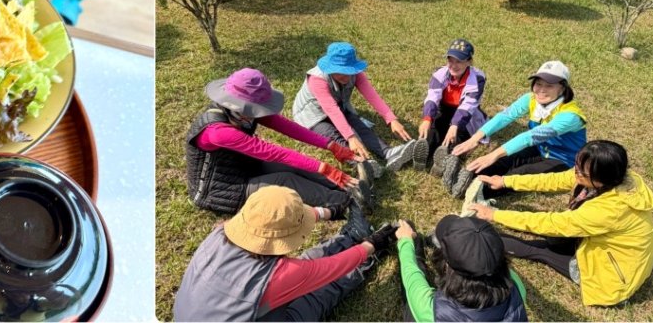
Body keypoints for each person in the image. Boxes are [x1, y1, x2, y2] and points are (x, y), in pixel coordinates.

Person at [473, 140, 653, 309]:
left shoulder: (608, 211)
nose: (575, 173)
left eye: (582, 172)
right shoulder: (616, 176)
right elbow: (555, 180)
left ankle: (477, 237)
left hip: (611, 278)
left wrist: (495, 215)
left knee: (540, 249)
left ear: (601, 179)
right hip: (607, 246)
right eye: (577, 164)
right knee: (554, 234)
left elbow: (550, 223)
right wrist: (506, 181)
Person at [173, 186, 396, 323]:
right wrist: (371, 245)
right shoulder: (278, 277)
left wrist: (330, 212)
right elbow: (333, 267)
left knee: (306, 266)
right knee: (318, 293)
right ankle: (368, 259)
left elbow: (275, 222)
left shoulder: (220, 232)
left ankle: (350, 235)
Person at [185, 68, 364, 218]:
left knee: (294, 167)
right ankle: (347, 202)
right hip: (222, 188)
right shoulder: (217, 132)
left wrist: (330, 145)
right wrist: (324, 168)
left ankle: (348, 186)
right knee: (285, 180)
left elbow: (288, 127)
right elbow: (273, 152)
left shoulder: (243, 112)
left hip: (245, 167)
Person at [449, 60, 586, 203]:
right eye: (538, 84)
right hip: (539, 148)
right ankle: (468, 177)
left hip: (563, 161)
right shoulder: (531, 99)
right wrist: (474, 139)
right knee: (504, 161)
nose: (541, 90)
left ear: (562, 88)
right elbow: (505, 116)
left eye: (549, 86)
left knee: (519, 174)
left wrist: (492, 155)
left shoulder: (570, 116)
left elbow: (530, 137)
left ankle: (478, 191)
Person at [292, 42, 416, 182]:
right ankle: (360, 162)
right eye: (341, 71)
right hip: (312, 116)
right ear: (330, 68)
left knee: (358, 125)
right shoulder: (317, 79)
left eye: (349, 71)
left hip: (339, 107)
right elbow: (331, 109)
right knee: (333, 135)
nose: (346, 76)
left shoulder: (356, 74)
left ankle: (388, 153)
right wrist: (350, 137)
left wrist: (391, 119)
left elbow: (371, 95)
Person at [396, 215, 528, 322]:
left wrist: (405, 241)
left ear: (447, 267)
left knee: (411, 306)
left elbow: (412, 278)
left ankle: (418, 248)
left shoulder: (432, 312)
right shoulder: (517, 287)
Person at [409, 39, 488, 189]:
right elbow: (432, 97)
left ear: (469, 61)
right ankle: (423, 151)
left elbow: (468, 106)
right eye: (450, 60)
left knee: (455, 139)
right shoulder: (439, 73)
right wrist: (427, 118)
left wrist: (455, 125)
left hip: (466, 117)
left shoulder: (478, 78)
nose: (453, 65)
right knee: (432, 133)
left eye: (459, 61)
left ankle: (447, 157)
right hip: (444, 109)